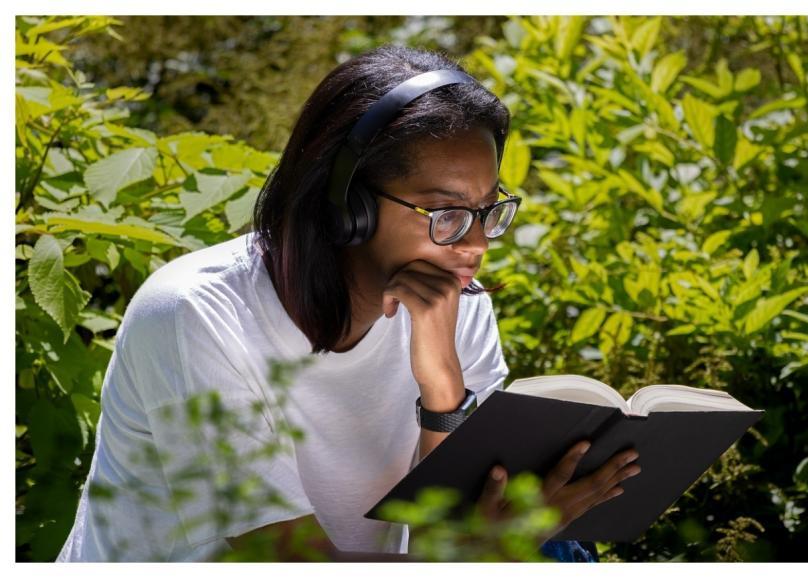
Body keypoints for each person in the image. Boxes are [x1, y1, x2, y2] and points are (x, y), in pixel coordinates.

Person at [57, 44, 640, 562]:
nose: (477, 244)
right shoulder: (196, 313)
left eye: (489, 210)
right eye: (446, 213)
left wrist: (443, 388)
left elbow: (445, 535)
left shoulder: (455, 299)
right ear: (348, 207)